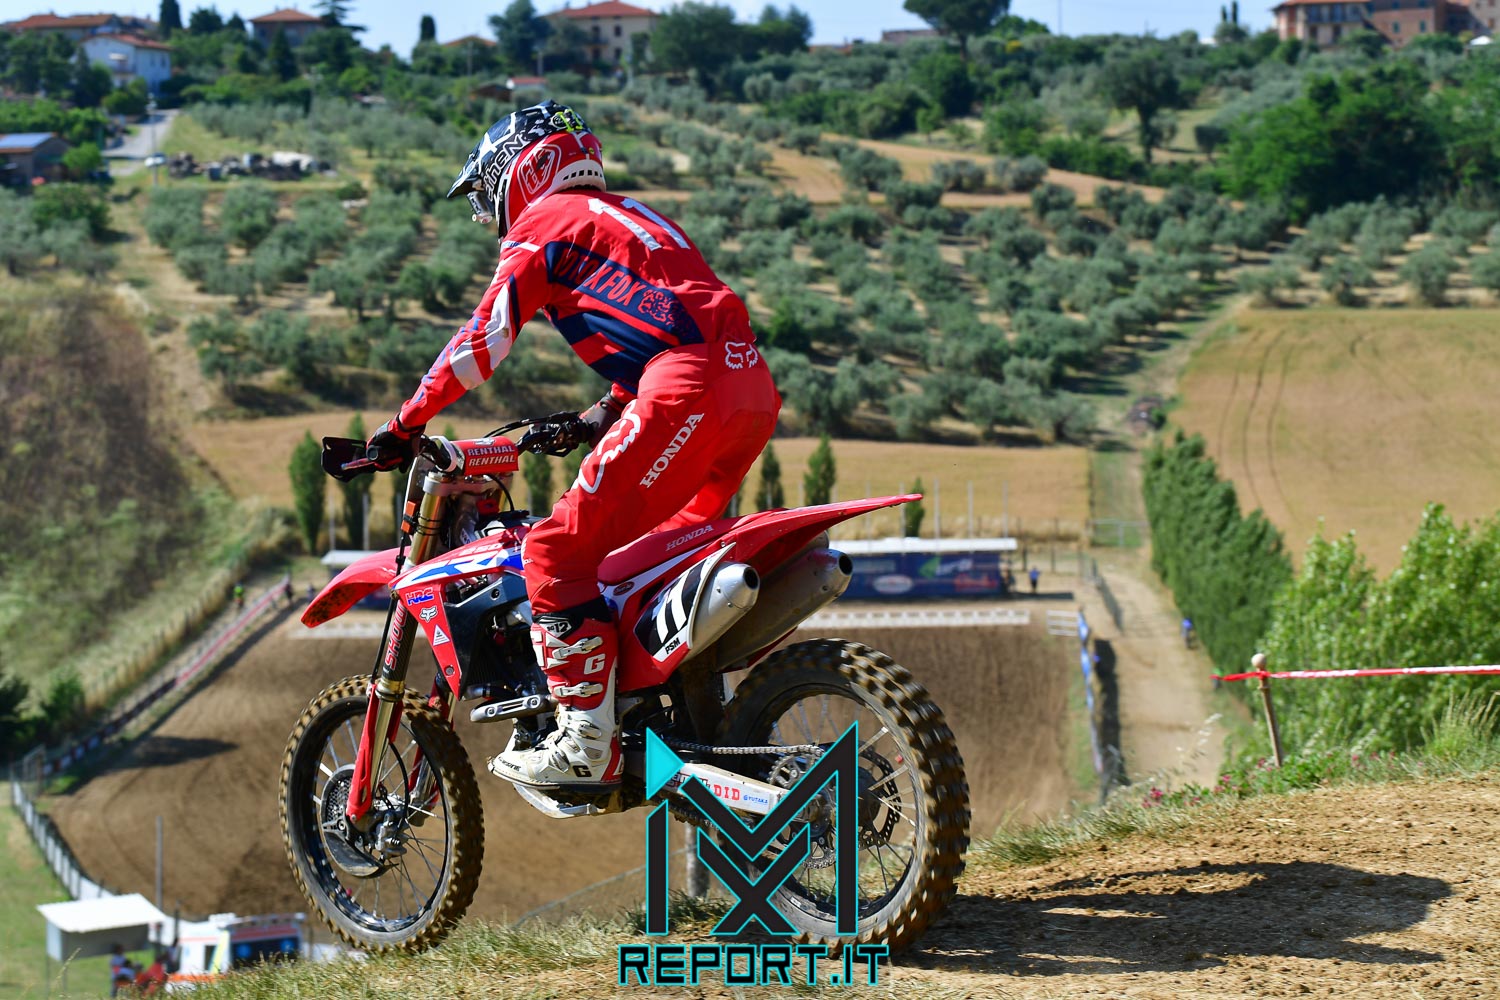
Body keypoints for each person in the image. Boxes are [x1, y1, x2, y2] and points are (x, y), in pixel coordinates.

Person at [365, 101, 780, 791]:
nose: (491, 214)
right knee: (649, 557)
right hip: (750, 386)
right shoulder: (633, 215)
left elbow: (482, 341)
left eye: (487, 191)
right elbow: (675, 316)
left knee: (555, 552)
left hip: (687, 389)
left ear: (518, 169)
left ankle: (587, 741)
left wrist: (405, 423)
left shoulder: (544, 224)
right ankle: (679, 715)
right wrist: (602, 413)